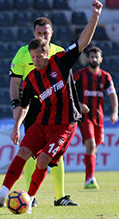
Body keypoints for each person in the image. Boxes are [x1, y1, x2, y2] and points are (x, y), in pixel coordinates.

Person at [0, 0, 104, 213]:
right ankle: (2, 194)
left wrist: (95, 16)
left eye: (40, 57)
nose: (37, 60)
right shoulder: (31, 79)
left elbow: (83, 41)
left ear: (47, 53)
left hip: (64, 124)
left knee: (42, 160)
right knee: (22, 152)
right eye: (33, 57)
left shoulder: (61, 60)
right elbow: (24, 104)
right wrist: (15, 127)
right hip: (42, 122)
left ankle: (29, 200)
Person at [8, 17, 74, 207]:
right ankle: (31, 197)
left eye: (45, 33)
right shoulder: (23, 53)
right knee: (28, 150)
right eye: (39, 33)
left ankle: (60, 196)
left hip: (55, 106)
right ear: (34, 33)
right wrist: (15, 105)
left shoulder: (59, 52)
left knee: (55, 153)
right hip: (32, 106)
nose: (42, 36)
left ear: (51, 33)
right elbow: (15, 82)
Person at [74, 46, 119, 189]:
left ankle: (90, 177)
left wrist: (115, 112)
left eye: (96, 57)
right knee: (91, 145)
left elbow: (112, 94)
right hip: (84, 116)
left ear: (101, 59)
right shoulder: (80, 75)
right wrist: (79, 105)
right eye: (91, 56)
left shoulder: (106, 76)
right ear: (87, 58)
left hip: (99, 117)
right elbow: (70, 92)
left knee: (94, 148)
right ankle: (89, 179)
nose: (94, 59)